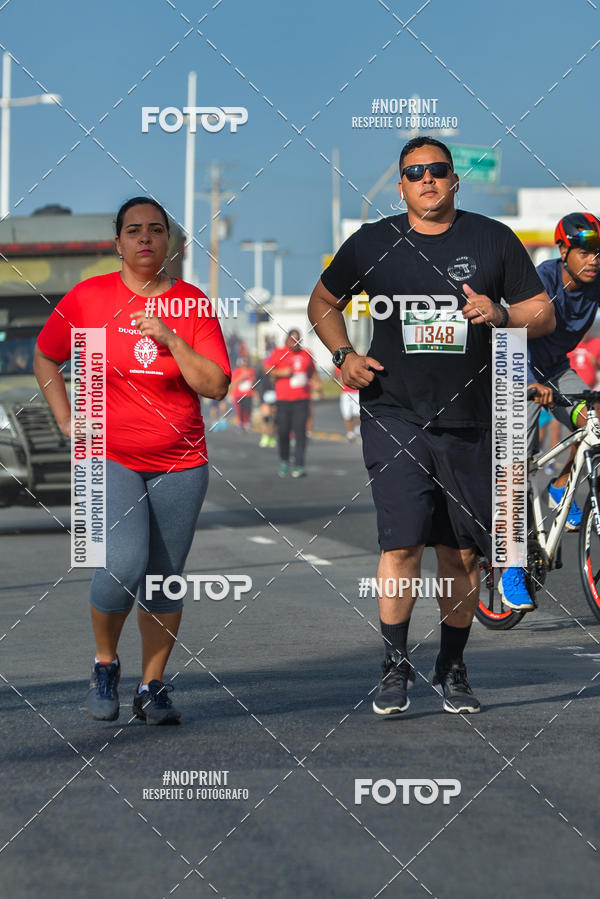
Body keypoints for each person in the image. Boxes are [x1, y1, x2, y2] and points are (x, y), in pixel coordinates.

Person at [308, 136, 554, 716]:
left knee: (462, 553)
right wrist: (343, 354)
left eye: (437, 170)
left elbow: (539, 314)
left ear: (453, 179)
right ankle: (394, 666)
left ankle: (453, 664)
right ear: (401, 186)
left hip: (473, 416)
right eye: (414, 172)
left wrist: (499, 313)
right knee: (402, 542)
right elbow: (324, 300)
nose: (427, 180)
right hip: (394, 410)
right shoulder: (375, 242)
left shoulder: (492, 239)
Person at [34, 197, 231, 725]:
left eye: (156, 230)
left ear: (170, 242)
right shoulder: (89, 298)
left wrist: (170, 337)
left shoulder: (192, 305)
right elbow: (46, 355)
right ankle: (104, 664)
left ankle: (152, 685)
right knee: (122, 562)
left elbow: (215, 386)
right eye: (134, 230)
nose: (145, 238)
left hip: (180, 462)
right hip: (106, 453)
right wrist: (64, 418)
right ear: (117, 242)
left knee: (164, 578)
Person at [501, 213, 600, 609]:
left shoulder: (595, 284)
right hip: (515, 366)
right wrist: (528, 381)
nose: (594, 259)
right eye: (584, 251)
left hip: (556, 370)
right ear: (563, 251)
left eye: (598, 252)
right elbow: (510, 333)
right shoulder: (542, 280)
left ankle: (560, 484)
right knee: (515, 467)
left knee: (594, 420)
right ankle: (509, 567)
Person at [265, 329, 315, 478]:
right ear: (286, 341)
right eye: (293, 340)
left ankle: (299, 464)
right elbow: (267, 370)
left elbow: (312, 371)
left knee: (300, 433)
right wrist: (282, 373)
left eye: (298, 340)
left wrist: (315, 383)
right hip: (283, 400)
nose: (295, 343)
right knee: (283, 432)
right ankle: (284, 461)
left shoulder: (306, 354)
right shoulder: (279, 353)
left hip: (302, 399)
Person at [230, 352, 255, 430]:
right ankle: (240, 423)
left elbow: (253, 382)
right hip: (238, 394)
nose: (245, 363)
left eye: (246, 361)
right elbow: (233, 383)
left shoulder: (251, 370)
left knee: (248, 409)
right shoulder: (236, 371)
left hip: (248, 394)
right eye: (243, 361)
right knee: (240, 410)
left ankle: (247, 423)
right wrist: (242, 377)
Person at [336, 367, 360, 440]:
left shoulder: (358, 359)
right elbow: (336, 376)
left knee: (358, 413)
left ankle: (358, 429)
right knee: (346, 413)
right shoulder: (340, 363)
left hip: (356, 391)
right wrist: (337, 378)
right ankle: (350, 432)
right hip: (345, 393)